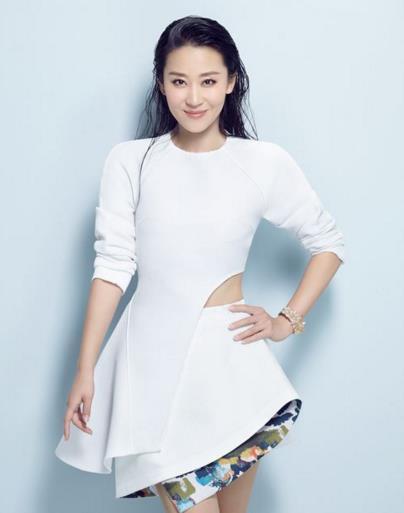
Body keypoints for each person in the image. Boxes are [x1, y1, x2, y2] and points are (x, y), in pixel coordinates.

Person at [54, 15, 345, 513]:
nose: (193, 98)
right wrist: (86, 369)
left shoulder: (263, 162)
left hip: (230, 368)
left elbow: (328, 243)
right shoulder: (130, 161)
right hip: (152, 373)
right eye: (179, 81)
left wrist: (285, 321)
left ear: (231, 82)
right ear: (161, 83)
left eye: (208, 81)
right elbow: (113, 266)